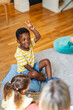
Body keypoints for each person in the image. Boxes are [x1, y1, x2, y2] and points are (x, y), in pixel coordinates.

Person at [14, 21, 52, 91]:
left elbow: (38, 37)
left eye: (28, 38)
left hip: (32, 66)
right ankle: (44, 79)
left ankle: (50, 81)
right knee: (34, 74)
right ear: (18, 41)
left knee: (46, 61)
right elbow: (27, 67)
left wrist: (33, 29)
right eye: (24, 40)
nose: (27, 41)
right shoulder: (19, 54)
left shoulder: (29, 43)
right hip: (24, 72)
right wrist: (38, 74)